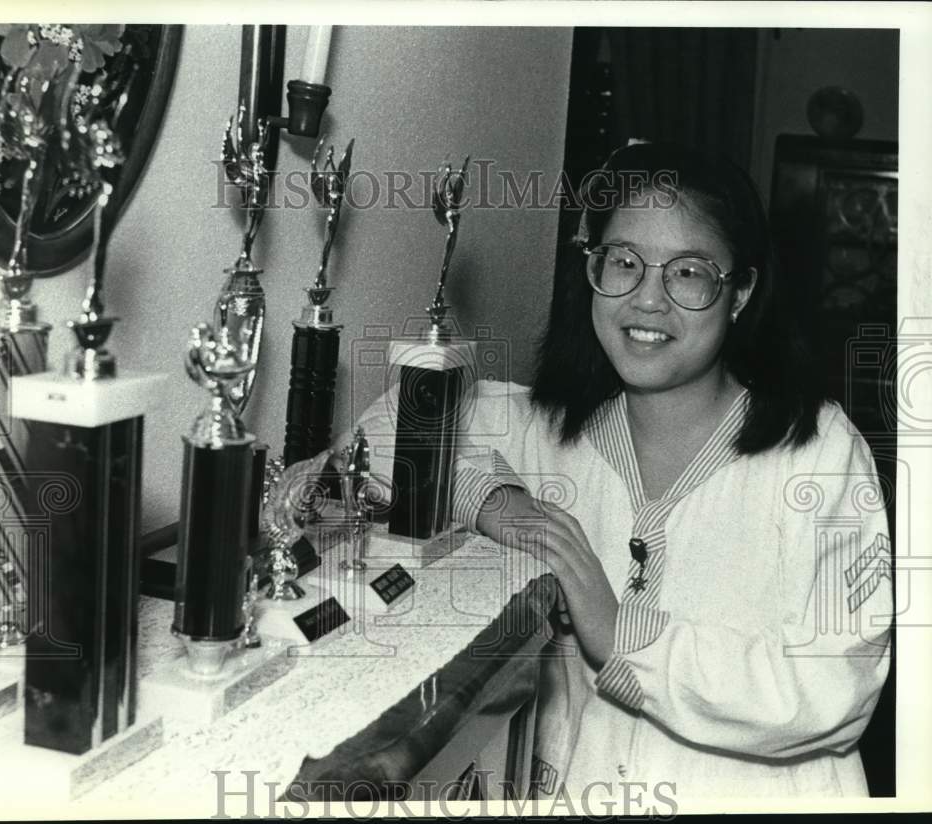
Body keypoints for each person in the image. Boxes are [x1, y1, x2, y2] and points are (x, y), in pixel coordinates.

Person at [266, 142, 892, 801]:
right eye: (624, 263)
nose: (647, 300)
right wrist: (503, 505)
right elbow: (401, 419)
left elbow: (834, 686)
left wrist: (618, 628)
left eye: (688, 273)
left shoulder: (820, 453)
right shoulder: (557, 428)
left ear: (739, 293)